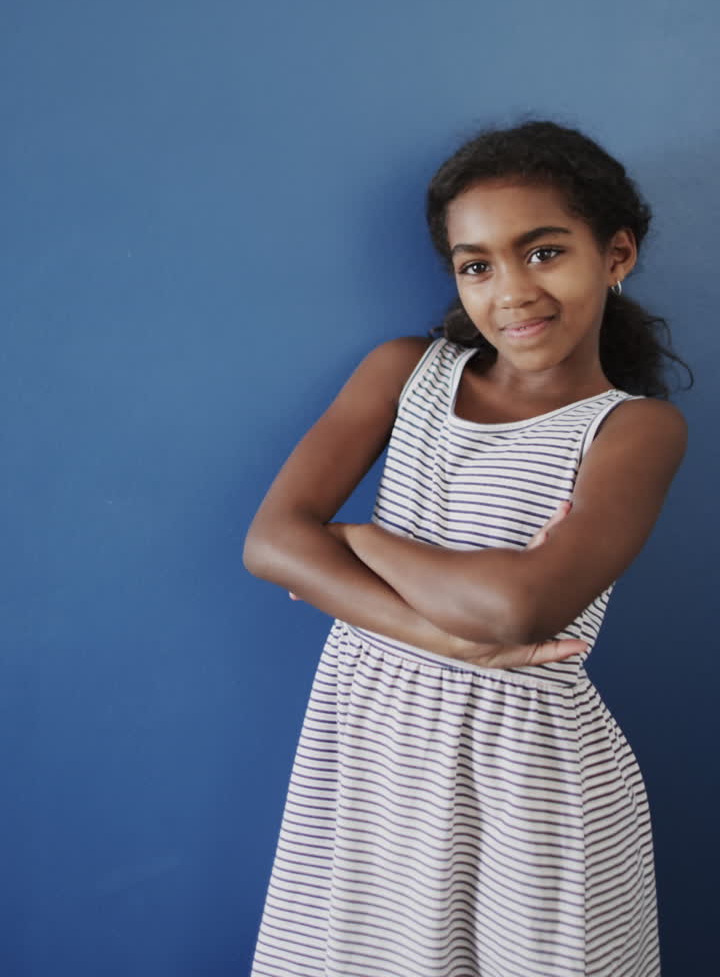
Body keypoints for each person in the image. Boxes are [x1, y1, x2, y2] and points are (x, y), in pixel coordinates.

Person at [244, 119, 691, 977]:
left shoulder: (634, 430)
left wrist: (354, 539)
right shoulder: (404, 372)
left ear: (617, 255)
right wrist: (448, 637)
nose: (512, 290)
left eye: (545, 251)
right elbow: (269, 542)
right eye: (476, 264)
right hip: (371, 754)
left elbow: (521, 607)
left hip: (531, 777)